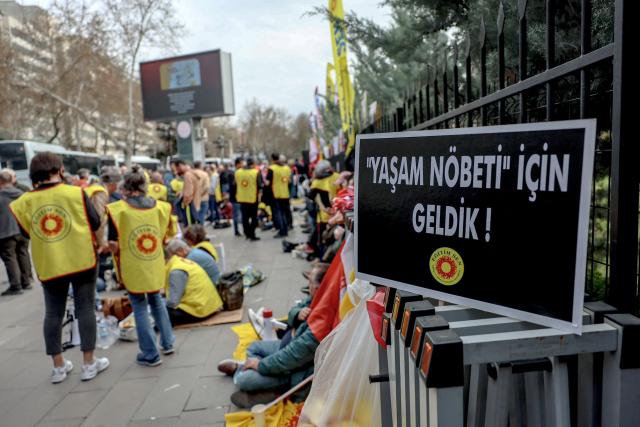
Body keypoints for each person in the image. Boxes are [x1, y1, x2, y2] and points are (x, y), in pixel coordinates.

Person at [9, 152, 109, 383]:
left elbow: (27, 232)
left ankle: (58, 367)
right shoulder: (76, 193)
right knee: (85, 308)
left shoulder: (23, 202)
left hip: (50, 264)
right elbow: (94, 222)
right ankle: (88, 363)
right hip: (81, 258)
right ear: (59, 170)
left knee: (53, 313)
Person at [217, 263, 330, 408]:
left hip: (294, 370)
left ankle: (269, 387)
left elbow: (291, 358)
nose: (308, 285)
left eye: (310, 282)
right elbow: (294, 309)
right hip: (287, 347)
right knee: (254, 346)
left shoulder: (322, 321)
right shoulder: (317, 298)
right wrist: (297, 314)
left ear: (318, 287)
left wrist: (261, 365)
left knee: (244, 380)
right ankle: (249, 369)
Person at [106, 166, 176, 367]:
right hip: (153, 261)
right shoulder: (160, 207)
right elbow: (165, 235)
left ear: (125, 187)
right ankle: (168, 342)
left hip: (133, 264)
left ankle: (150, 353)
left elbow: (113, 243)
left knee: (139, 305)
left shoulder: (118, 210)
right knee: (156, 299)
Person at [164, 245, 223, 325]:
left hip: (199, 310)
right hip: (210, 305)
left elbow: (173, 302)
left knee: (161, 312)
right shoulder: (181, 261)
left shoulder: (176, 271)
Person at [0, 170, 32, 295]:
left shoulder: (1, 196)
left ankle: (16, 285)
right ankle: (26, 281)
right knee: (23, 254)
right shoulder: (21, 193)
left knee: (10, 257)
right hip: (22, 229)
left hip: (6, 231)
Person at [235, 158, 262, 241]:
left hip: (242, 198)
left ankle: (247, 234)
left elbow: (235, 184)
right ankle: (252, 234)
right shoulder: (256, 172)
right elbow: (259, 185)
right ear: (253, 164)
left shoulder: (238, 172)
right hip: (252, 198)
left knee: (245, 217)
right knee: (254, 217)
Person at [267, 153, 292, 238]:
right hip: (285, 193)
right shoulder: (287, 168)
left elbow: (267, 182)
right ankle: (286, 229)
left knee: (279, 213)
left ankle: (282, 231)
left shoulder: (271, 168)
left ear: (272, 159)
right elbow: (289, 181)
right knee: (284, 213)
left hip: (276, 194)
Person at [171, 159, 200, 226]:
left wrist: (184, 203)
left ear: (180, 166)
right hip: (195, 202)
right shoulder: (192, 173)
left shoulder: (187, 175)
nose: (176, 172)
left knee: (190, 226)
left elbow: (188, 192)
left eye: (176, 169)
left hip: (189, 205)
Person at [228, 159, 244, 237]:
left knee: (241, 214)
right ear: (237, 164)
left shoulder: (240, 173)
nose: (243, 165)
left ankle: (243, 230)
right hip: (236, 198)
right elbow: (233, 186)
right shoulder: (232, 174)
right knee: (237, 215)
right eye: (241, 163)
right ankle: (237, 231)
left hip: (242, 197)